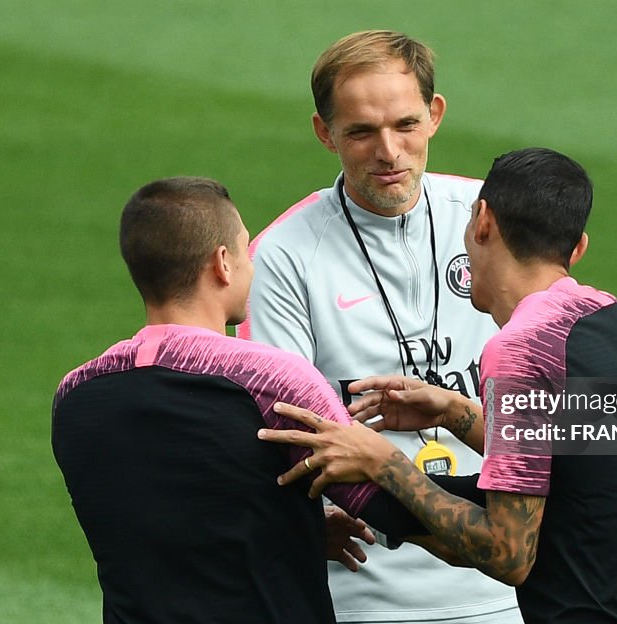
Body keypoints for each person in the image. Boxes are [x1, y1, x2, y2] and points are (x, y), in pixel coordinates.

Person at [259, 148, 617, 623]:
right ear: (578, 248)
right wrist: (457, 412)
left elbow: (509, 553)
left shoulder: (523, 347)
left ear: (482, 222)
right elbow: (578, 462)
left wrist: (385, 462)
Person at [51, 177, 437, 624]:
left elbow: (169, 519)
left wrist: (297, 531)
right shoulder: (271, 380)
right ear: (222, 264)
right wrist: (502, 465)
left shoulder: (76, 393)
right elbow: (399, 512)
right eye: (244, 250)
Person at [239, 30, 522, 624]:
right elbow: (279, 430)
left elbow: (565, 399)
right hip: (366, 596)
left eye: (406, 124)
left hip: (513, 587)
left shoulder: (495, 222)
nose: (389, 152)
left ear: (435, 115)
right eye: (362, 132)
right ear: (325, 132)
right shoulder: (284, 257)